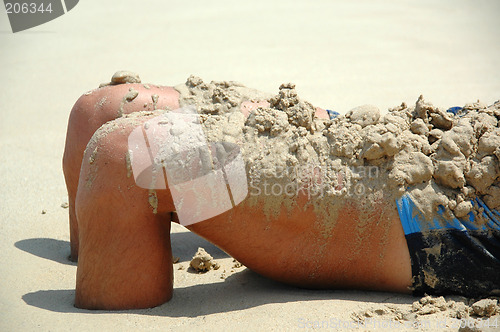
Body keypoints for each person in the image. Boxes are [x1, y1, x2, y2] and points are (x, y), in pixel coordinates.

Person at [63, 72, 500, 310]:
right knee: (98, 111)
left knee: (124, 161)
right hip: (447, 132)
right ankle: (113, 251)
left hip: (458, 206)